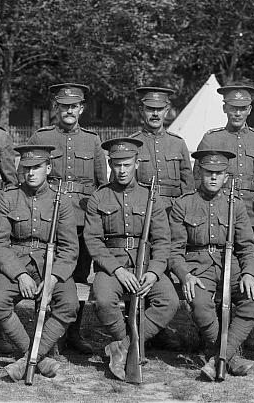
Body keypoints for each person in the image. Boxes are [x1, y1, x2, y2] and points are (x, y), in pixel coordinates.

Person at [167, 150, 254, 380]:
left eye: (219, 173)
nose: (213, 178)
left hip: (231, 267)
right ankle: (231, 357)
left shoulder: (237, 206)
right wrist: (185, 276)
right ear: (199, 173)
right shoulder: (184, 204)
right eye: (208, 172)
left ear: (226, 177)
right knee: (201, 304)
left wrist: (250, 273)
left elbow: (249, 247)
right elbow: (174, 251)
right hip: (198, 268)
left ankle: (218, 358)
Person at [82, 137, 176, 381]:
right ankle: (130, 344)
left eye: (127, 164)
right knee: (103, 300)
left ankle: (122, 347)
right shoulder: (99, 198)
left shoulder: (151, 197)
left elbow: (163, 241)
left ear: (137, 163)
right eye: (116, 165)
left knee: (169, 300)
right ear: (110, 165)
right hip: (112, 266)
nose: (121, 171)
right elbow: (93, 240)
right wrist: (117, 270)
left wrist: (154, 272)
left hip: (145, 266)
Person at [26, 82, 105, 354]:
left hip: (82, 219)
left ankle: (73, 332)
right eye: (64, 106)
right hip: (49, 217)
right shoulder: (41, 137)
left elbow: (101, 184)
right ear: (56, 108)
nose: (69, 111)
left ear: (81, 109)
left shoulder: (92, 140)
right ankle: (45, 332)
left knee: (79, 276)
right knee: (45, 271)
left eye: (74, 106)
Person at [0, 145, 79, 382]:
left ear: (48, 168)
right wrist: (19, 274)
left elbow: (70, 247)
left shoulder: (62, 201)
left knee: (69, 304)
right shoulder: (8, 198)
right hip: (15, 262)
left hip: (51, 265)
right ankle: (36, 356)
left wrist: (53, 278)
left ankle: (30, 358)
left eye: (37, 167)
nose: (30, 173)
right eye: (26, 168)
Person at [196, 84, 254, 225]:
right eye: (233, 108)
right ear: (225, 108)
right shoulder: (211, 139)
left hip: (253, 214)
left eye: (243, 109)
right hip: (220, 212)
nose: (238, 114)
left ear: (249, 110)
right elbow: (197, 180)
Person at [130, 87, 191, 198]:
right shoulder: (132, 144)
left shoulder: (178, 143)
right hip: (143, 207)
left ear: (166, 111)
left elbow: (188, 185)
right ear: (141, 110)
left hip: (173, 209)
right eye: (150, 109)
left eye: (160, 109)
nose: (155, 114)